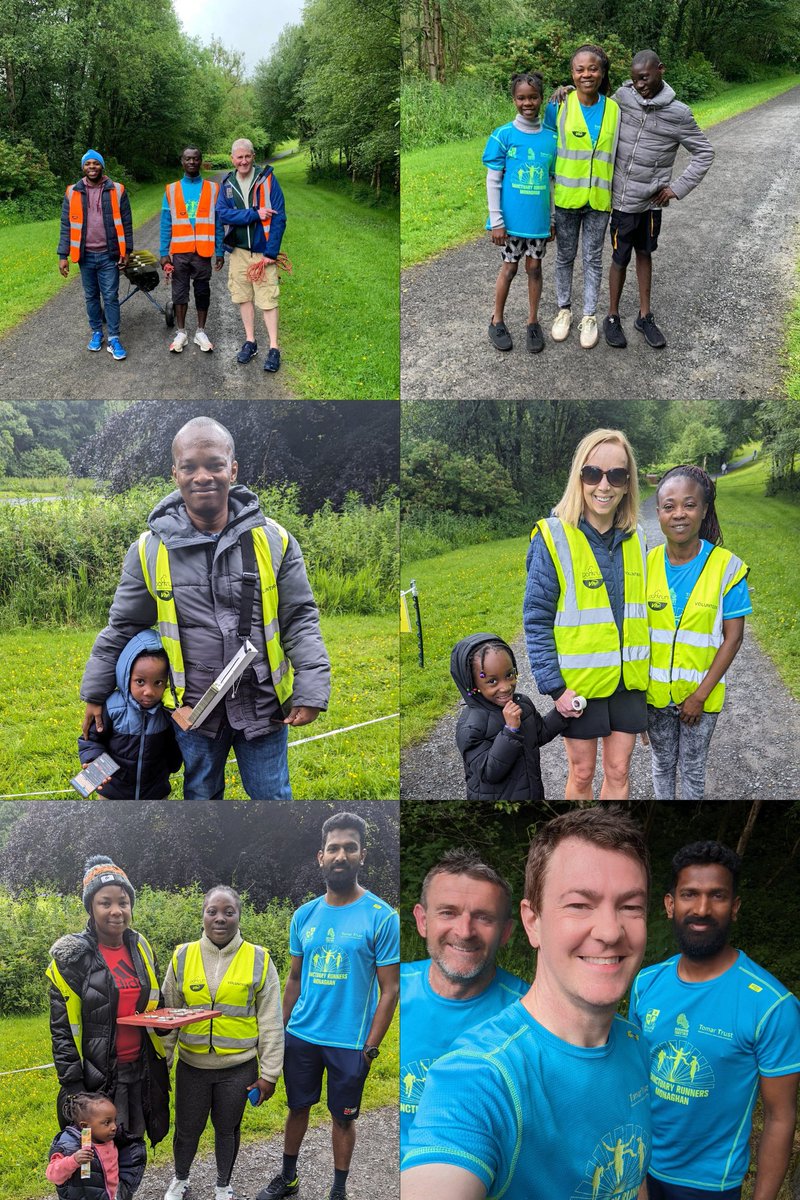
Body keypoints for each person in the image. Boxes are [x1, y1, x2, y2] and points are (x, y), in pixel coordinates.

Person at [401, 806, 652, 1199]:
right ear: (532, 922)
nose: (609, 931)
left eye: (630, 906)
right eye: (579, 904)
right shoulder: (479, 1075)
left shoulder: (637, 1045)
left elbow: (630, 1177)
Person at [79, 416, 330, 801]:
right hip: (193, 713)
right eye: (190, 466)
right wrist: (95, 692)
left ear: (232, 469)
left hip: (264, 709)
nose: (203, 476)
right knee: (201, 797)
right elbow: (124, 626)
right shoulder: (148, 550)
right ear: (175, 473)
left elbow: (299, 618)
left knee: (273, 798)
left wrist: (311, 687)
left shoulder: (275, 539)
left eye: (214, 464)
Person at [631, 841, 800, 1200]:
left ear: (734, 907)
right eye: (690, 894)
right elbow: (630, 1081)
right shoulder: (645, 983)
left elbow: (780, 1117)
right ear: (669, 904)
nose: (702, 909)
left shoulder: (772, 1006)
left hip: (711, 1185)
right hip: (639, 1169)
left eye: (717, 896)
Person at [257, 811, 400, 1200]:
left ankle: (338, 1191)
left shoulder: (383, 917)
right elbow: (295, 980)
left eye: (349, 848)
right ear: (320, 856)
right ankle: (288, 1179)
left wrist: (369, 1049)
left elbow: (390, 990)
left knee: (342, 1119)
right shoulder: (304, 915)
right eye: (333, 848)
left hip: (350, 1044)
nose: (341, 855)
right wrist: (278, 1032)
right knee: (297, 1109)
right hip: (301, 1035)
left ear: (362, 855)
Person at [523, 427, 649, 800]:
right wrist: (556, 688)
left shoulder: (638, 537)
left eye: (617, 475)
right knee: (582, 774)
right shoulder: (552, 537)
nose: (604, 485)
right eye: (593, 473)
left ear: (628, 484)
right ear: (579, 477)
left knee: (619, 771)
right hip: (579, 686)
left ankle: (612, 843)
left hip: (628, 683)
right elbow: (536, 620)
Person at [399, 849, 527, 1157]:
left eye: (483, 917)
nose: (464, 931)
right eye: (448, 912)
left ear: (506, 932)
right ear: (422, 920)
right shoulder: (387, 992)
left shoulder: (531, 1014)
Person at [160, 886, 284, 1200]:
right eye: (212, 911)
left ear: (239, 916)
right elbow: (168, 1015)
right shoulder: (183, 955)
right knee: (186, 1129)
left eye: (228, 912)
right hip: (192, 1066)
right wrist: (164, 1062)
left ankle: (223, 1186)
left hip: (238, 1068)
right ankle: (180, 1179)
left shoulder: (259, 958)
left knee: (227, 1130)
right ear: (202, 915)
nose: (220, 918)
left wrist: (269, 1074)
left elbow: (270, 1021)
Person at [46, 856, 170, 1151]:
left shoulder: (140, 946)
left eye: (123, 902)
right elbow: (62, 1031)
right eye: (106, 903)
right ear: (91, 907)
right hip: (96, 1078)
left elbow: (154, 1001)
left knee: (132, 1146)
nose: (117, 911)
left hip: (140, 1069)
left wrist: (166, 1020)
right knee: (97, 1153)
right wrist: (75, 1088)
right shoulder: (72, 959)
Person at [646, 465, 751, 799]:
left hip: (700, 701)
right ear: (659, 512)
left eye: (689, 505)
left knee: (692, 769)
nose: (679, 514)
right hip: (654, 699)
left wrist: (700, 697)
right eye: (669, 506)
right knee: (661, 764)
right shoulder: (644, 565)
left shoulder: (727, 568)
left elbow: (733, 637)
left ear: (704, 510)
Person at [603, 50, 714, 350]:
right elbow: (595, 107)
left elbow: (704, 153)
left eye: (645, 77)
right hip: (622, 200)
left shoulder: (679, 114)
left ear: (660, 70)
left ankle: (644, 316)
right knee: (618, 257)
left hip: (651, 204)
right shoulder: (622, 98)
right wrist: (570, 92)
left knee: (644, 254)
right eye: (635, 78)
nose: (639, 84)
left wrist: (676, 188)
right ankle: (612, 316)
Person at [546, 45, 620, 349]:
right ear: (571, 74)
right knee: (565, 256)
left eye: (593, 68)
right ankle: (564, 310)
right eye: (579, 69)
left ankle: (589, 315)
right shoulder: (558, 105)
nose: (586, 74)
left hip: (599, 201)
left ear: (602, 72)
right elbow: (546, 150)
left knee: (592, 259)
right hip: (566, 198)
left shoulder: (615, 108)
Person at [482, 72, 557, 354]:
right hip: (512, 223)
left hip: (537, 222)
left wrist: (551, 219)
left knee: (535, 268)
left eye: (533, 97)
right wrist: (496, 220)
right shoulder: (504, 135)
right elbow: (493, 180)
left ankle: (532, 321)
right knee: (510, 268)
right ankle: (497, 319)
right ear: (514, 99)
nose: (528, 103)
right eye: (521, 98)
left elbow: (551, 182)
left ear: (540, 98)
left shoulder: (550, 139)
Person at [449, 632, 569, 799]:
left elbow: (540, 734)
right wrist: (510, 730)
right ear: (471, 683)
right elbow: (489, 772)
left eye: (509, 675)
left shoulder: (523, 704)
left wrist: (563, 713)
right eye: (492, 681)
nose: (505, 687)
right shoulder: (471, 725)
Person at [77, 629, 182, 799]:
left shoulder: (167, 711)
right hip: (113, 792)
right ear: (126, 676)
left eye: (158, 682)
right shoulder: (112, 707)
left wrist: (172, 765)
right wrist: (93, 760)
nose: (148, 691)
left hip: (154, 793)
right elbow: (91, 739)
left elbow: (173, 746)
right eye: (140, 682)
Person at [216, 137, 286, 372]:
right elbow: (223, 215)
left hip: (263, 253)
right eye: (239, 157)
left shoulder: (267, 179)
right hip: (238, 252)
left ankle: (274, 348)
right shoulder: (227, 183)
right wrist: (254, 214)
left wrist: (271, 252)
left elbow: (279, 217)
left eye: (247, 156)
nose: (243, 161)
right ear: (232, 159)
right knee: (243, 297)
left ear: (253, 157)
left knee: (267, 299)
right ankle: (251, 342)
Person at [57, 150, 133, 361]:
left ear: (102, 166)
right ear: (83, 167)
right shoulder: (72, 192)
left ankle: (114, 338)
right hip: (85, 256)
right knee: (91, 296)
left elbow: (126, 223)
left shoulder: (117, 190)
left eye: (96, 163)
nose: (92, 167)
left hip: (110, 255)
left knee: (110, 297)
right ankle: (97, 332)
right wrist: (63, 255)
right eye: (88, 164)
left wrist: (126, 251)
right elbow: (66, 226)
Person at [160, 146, 225, 354]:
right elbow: (165, 224)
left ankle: (200, 332)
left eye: (195, 159)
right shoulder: (171, 190)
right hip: (180, 252)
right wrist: (163, 253)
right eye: (188, 159)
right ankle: (181, 332)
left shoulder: (214, 189)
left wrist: (220, 251)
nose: (192, 162)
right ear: (182, 161)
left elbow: (218, 223)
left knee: (202, 290)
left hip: (203, 252)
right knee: (179, 292)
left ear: (200, 161)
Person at [46, 1092, 146, 1200]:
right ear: (85, 1126)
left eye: (114, 1120)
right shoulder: (70, 1146)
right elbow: (52, 1175)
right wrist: (73, 1160)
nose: (114, 1127)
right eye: (107, 1122)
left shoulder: (112, 1139)